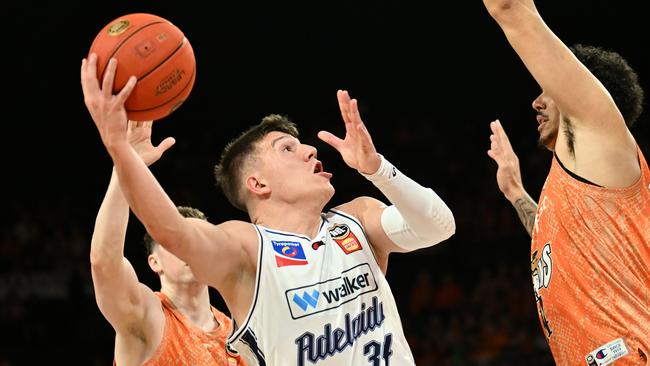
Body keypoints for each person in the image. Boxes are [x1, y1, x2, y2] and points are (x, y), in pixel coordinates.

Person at [81, 54, 456, 365]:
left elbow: (439, 226)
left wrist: (378, 169)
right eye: (287, 149)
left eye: (302, 145)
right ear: (258, 184)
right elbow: (172, 231)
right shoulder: (246, 248)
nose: (310, 150)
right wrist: (121, 152)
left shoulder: (357, 219)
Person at [483, 0, 650, 364]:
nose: (536, 102)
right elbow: (559, 245)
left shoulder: (602, 132)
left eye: (546, 88)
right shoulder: (579, 184)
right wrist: (515, 193)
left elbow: (510, 9)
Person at [90, 120, 241, 365]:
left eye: (195, 243)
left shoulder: (239, 336)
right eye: (174, 244)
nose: (187, 252)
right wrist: (124, 167)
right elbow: (104, 263)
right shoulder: (145, 317)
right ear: (154, 261)